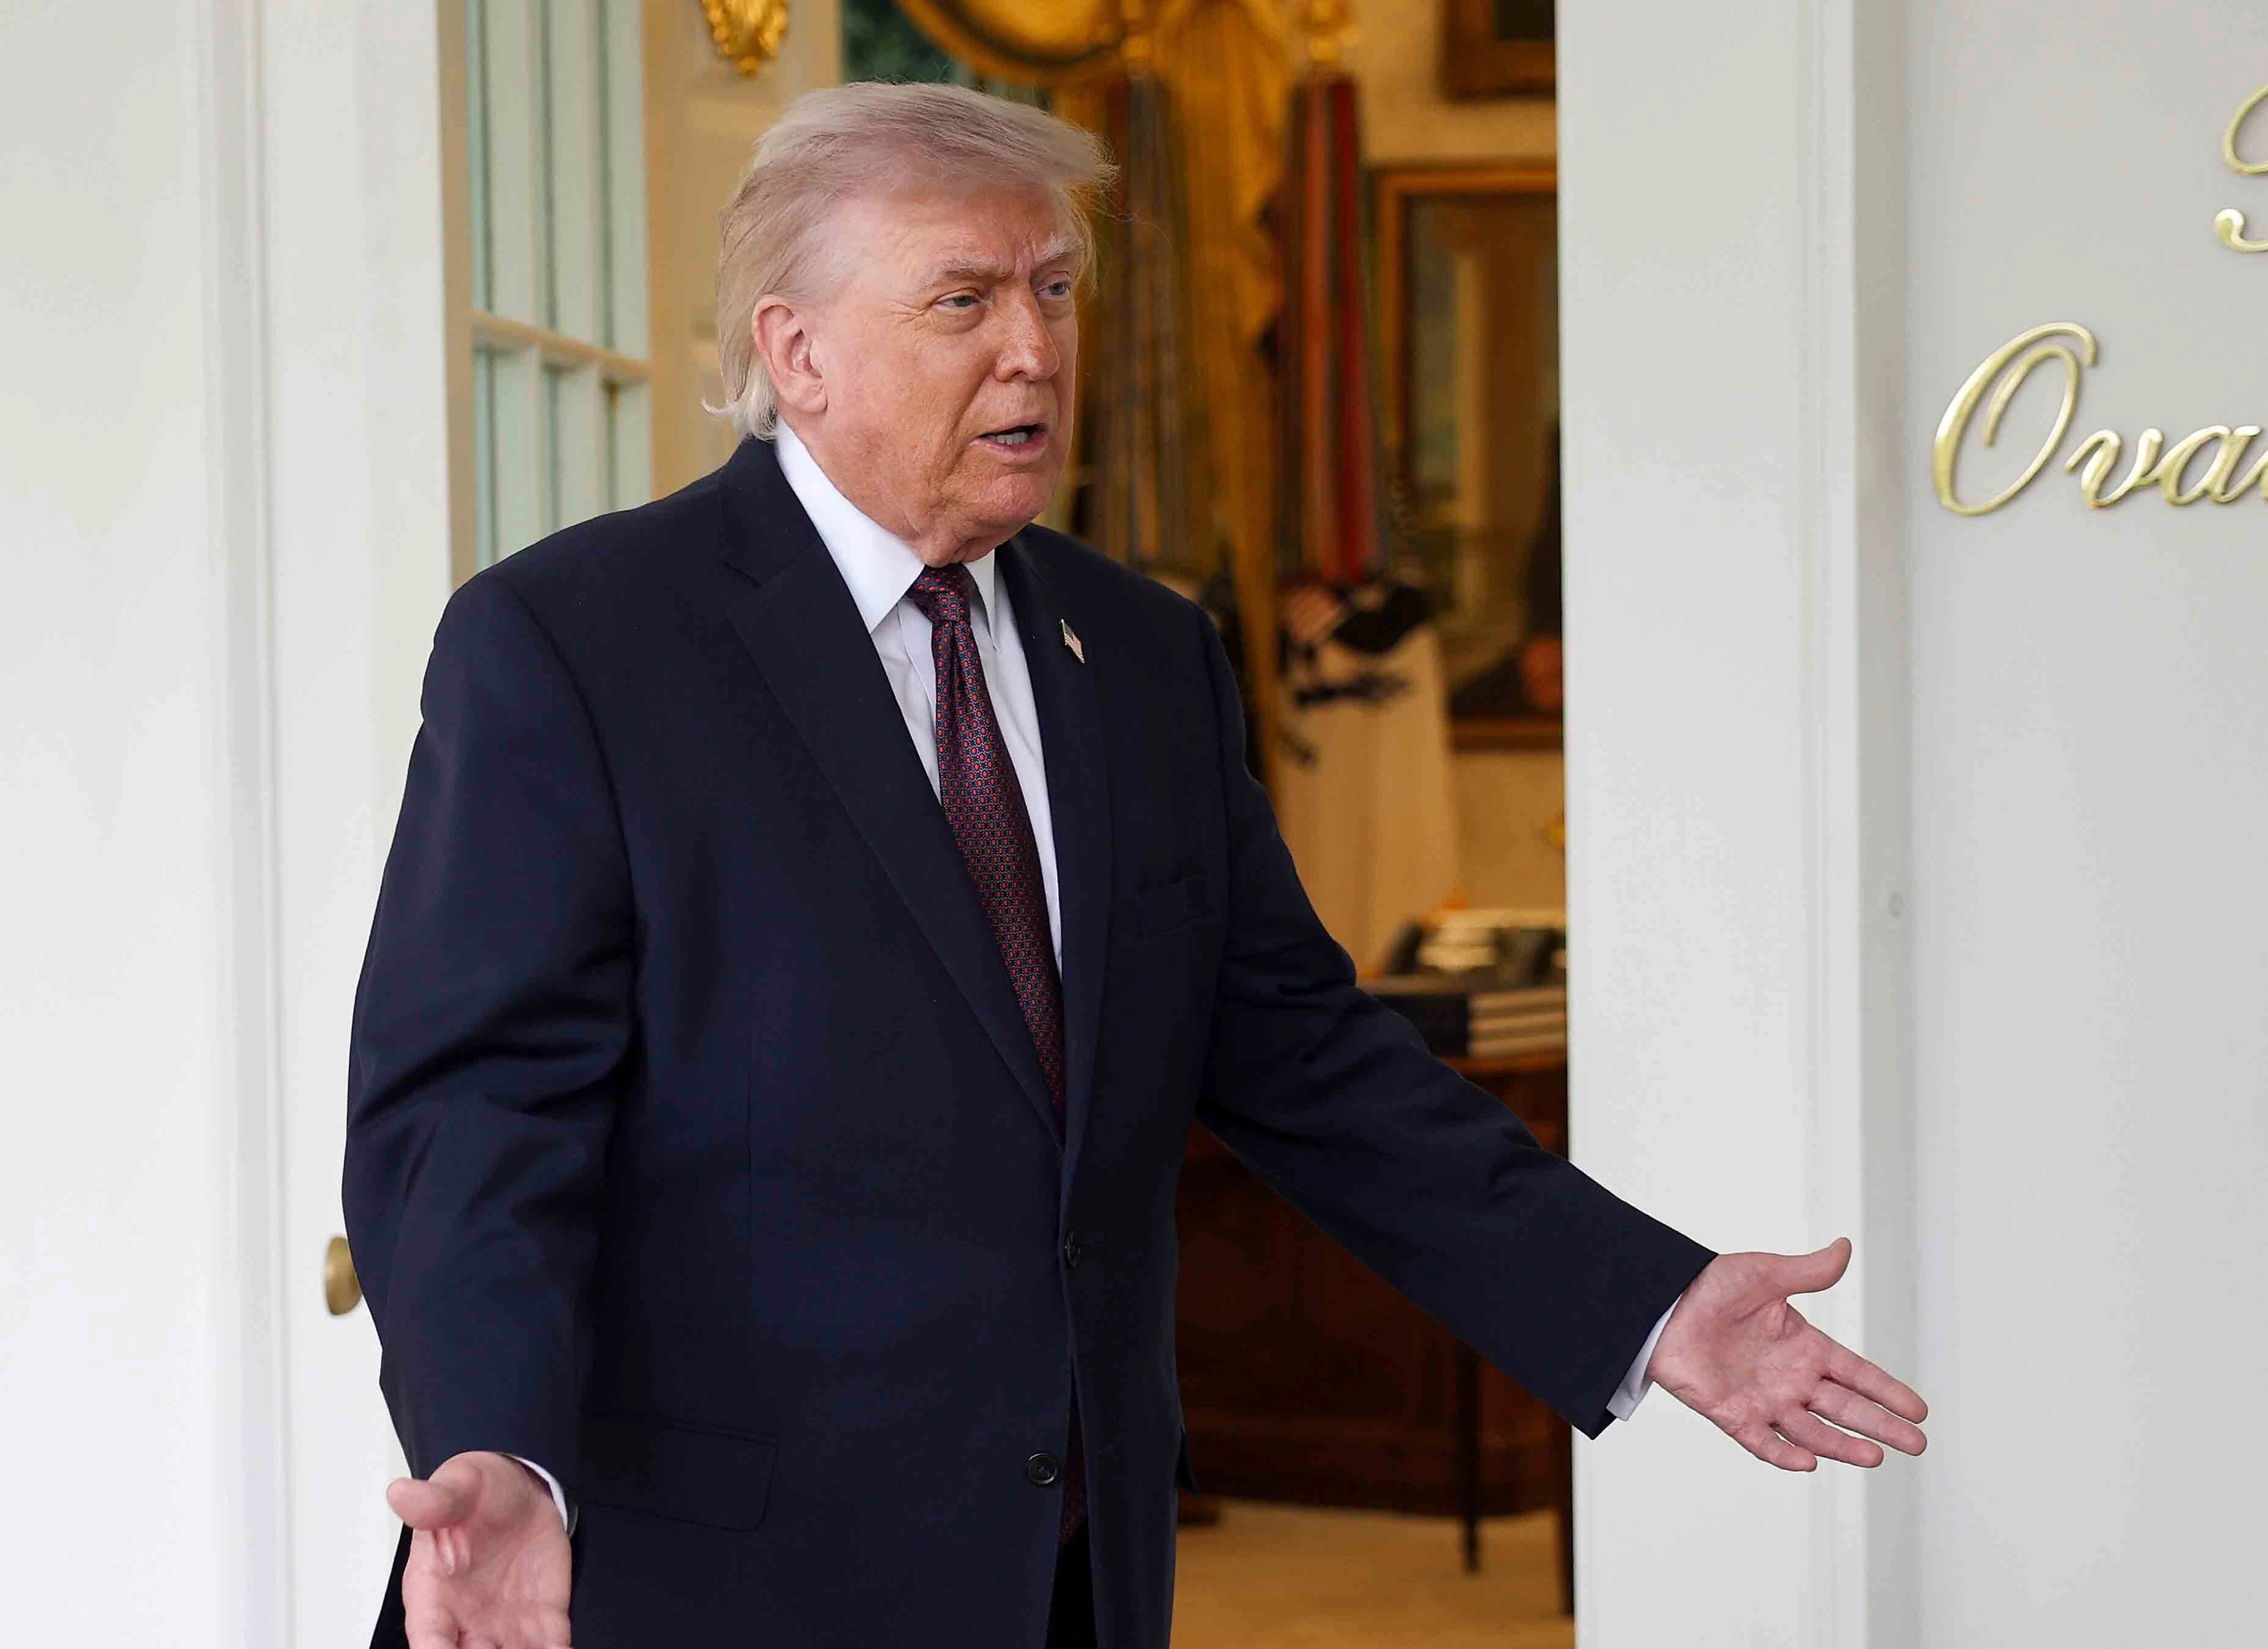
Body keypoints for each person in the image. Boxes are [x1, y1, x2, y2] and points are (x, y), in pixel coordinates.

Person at [343, 83, 1926, 1649]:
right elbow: (474, 1114)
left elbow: (1309, 1058)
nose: (1034, 348)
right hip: (711, 1588)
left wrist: (1643, 1302)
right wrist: (499, 1446)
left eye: (1054, 289)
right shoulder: (577, 645)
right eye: (963, 300)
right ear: (796, 351)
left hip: (1072, 1578)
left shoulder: (1150, 655)